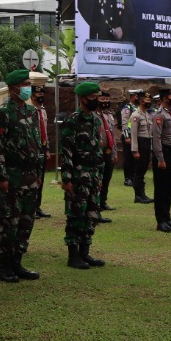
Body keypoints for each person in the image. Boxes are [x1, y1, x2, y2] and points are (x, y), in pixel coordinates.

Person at [0, 70, 45, 281]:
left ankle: (17, 262)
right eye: (24, 84)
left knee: (26, 221)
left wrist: (38, 173)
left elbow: (36, 142)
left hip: (30, 175)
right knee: (9, 222)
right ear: (13, 88)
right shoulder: (3, 113)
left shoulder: (32, 111)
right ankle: (4, 266)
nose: (27, 88)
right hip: (12, 175)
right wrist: (1, 177)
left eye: (28, 84)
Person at [62, 81, 106, 269]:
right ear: (82, 98)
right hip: (78, 175)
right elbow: (66, 151)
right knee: (76, 215)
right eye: (92, 97)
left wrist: (100, 175)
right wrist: (67, 178)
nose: (96, 100)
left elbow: (98, 149)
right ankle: (73, 256)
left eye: (97, 97)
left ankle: (84, 253)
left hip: (94, 175)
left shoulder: (96, 120)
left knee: (91, 215)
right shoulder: (73, 121)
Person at [150, 87, 171, 233]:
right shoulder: (159, 115)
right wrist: (160, 158)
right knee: (161, 189)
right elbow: (156, 138)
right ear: (164, 98)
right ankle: (161, 221)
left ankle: (167, 218)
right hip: (162, 152)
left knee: (168, 188)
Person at [129, 93, 155, 205]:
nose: (149, 102)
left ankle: (142, 194)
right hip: (140, 143)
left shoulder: (147, 114)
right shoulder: (136, 115)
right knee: (139, 171)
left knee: (143, 169)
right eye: (146, 100)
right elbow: (134, 134)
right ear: (141, 101)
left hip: (147, 143)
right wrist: (135, 150)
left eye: (149, 100)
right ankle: (138, 195)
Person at [96, 92, 119, 217]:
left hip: (108, 151)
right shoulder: (93, 115)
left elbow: (113, 134)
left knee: (107, 177)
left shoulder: (108, 115)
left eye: (106, 99)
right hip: (97, 151)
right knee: (98, 178)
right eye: (102, 98)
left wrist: (114, 152)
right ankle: (96, 204)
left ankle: (103, 201)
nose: (105, 101)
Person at [32, 86, 53, 218]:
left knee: (41, 178)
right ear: (32, 96)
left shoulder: (43, 111)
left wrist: (47, 148)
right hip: (33, 147)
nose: (41, 96)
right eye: (38, 93)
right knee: (33, 178)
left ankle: (37, 206)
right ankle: (31, 207)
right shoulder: (29, 111)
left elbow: (44, 130)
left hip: (42, 148)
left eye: (42, 93)